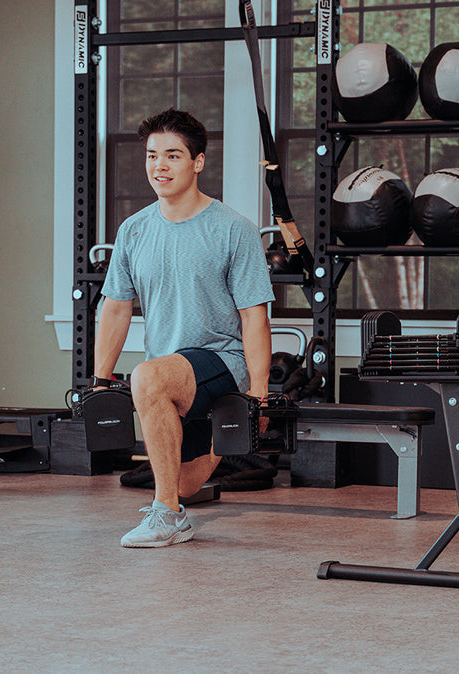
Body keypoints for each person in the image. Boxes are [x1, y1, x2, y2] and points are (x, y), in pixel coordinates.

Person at [94, 108, 274, 548]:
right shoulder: (134, 231)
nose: (160, 166)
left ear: (197, 162)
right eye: (153, 155)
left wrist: (260, 394)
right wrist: (99, 380)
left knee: (148, 377)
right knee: (188, 483)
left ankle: (166, 516)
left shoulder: (234, 230)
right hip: (170, 367)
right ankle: (179, 496)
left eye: (172, 155)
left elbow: (255, 315)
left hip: (221, 359)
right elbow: (116, 309)